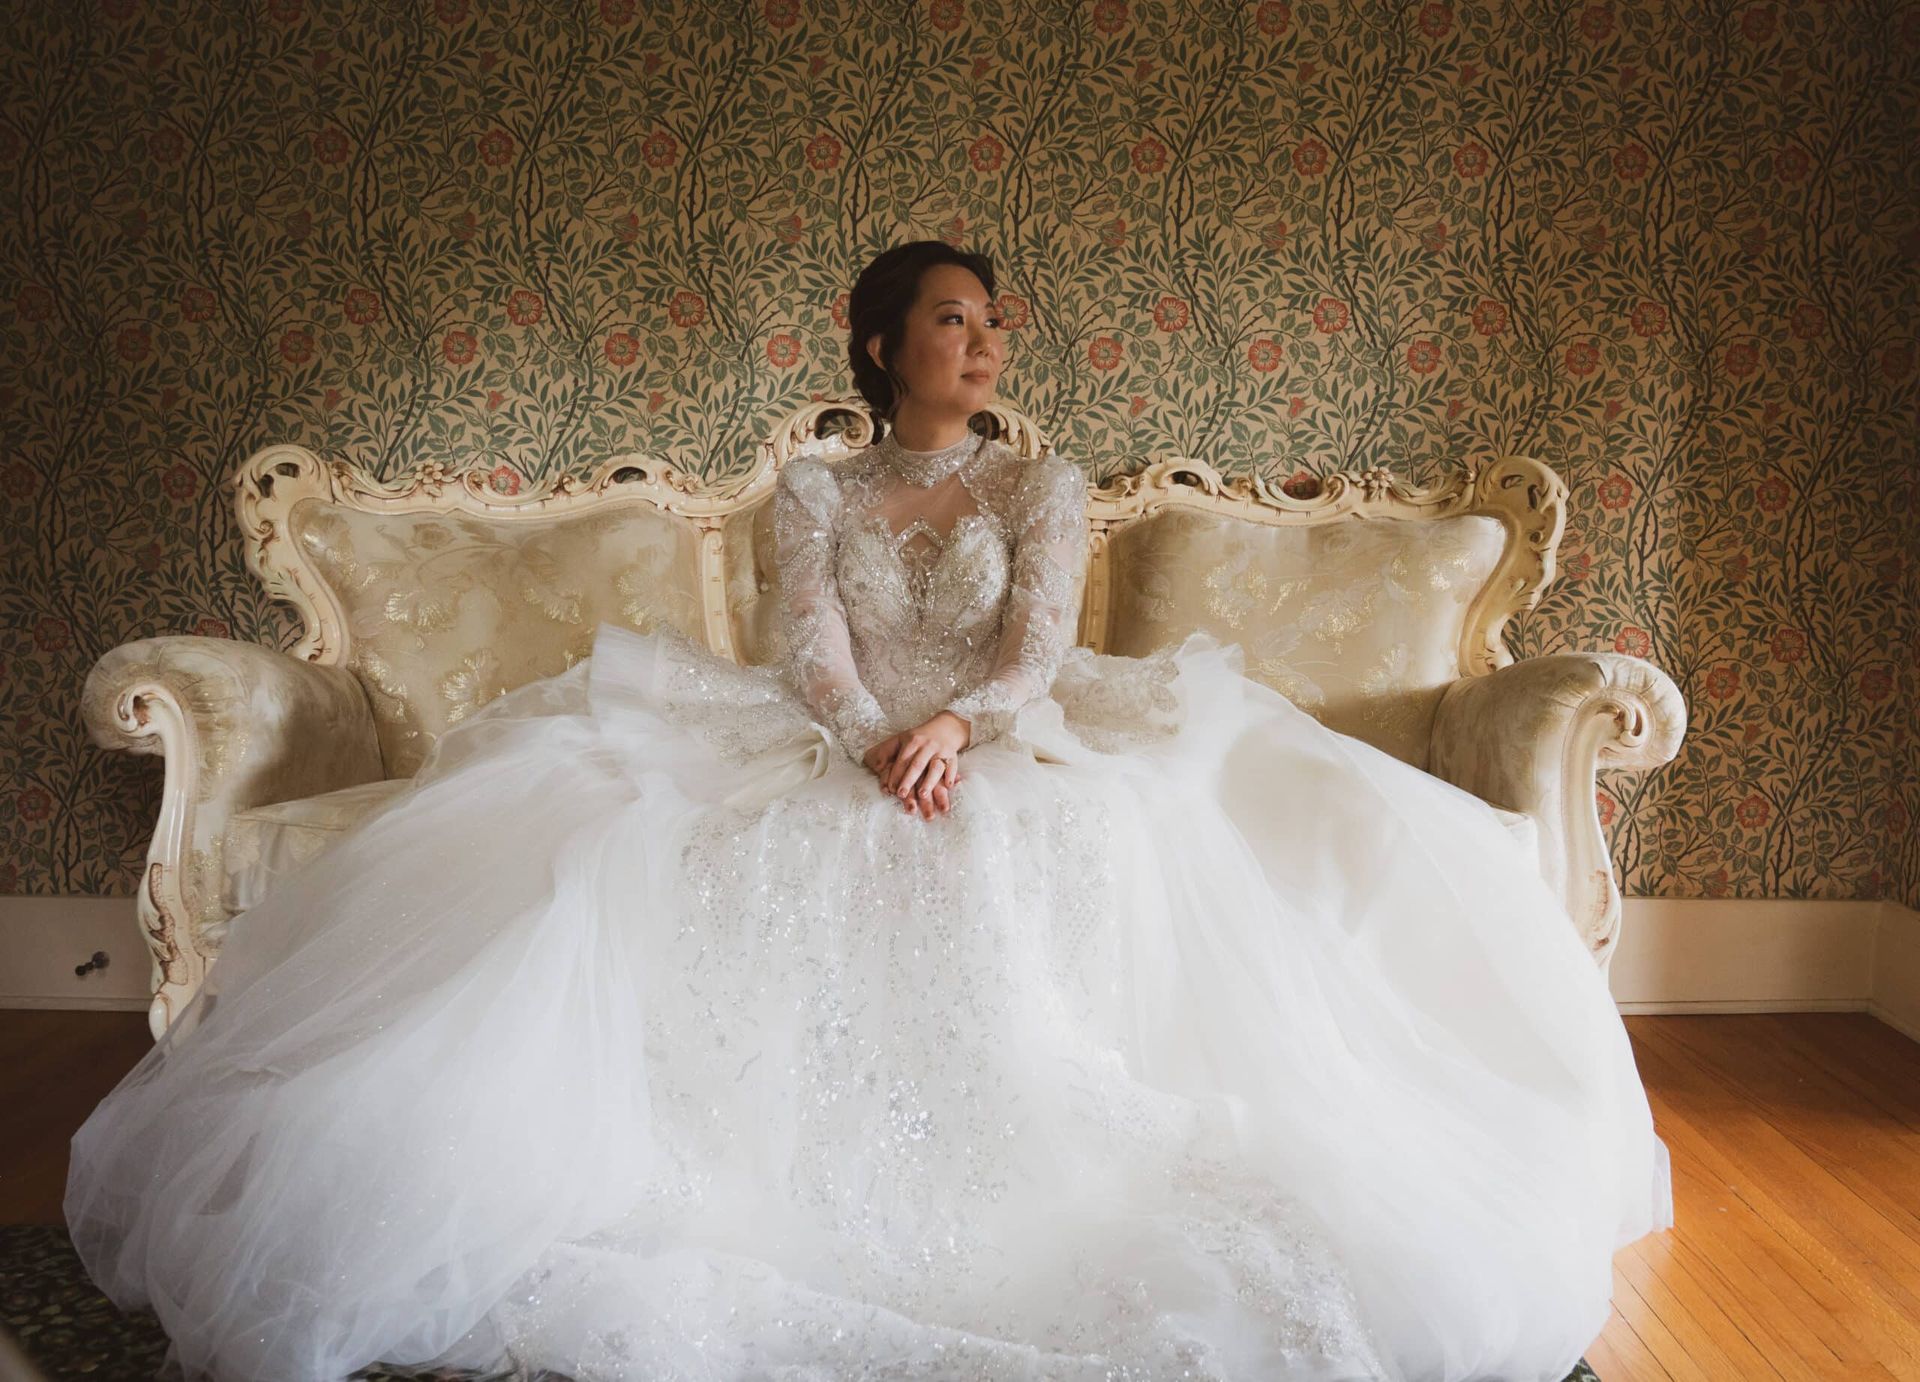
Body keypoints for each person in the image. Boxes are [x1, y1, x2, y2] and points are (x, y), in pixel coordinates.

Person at [65, 240, 1671, 1382]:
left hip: (1009, 727)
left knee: (1070, 833)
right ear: (881, 341)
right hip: (832, 734)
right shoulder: (816, 490)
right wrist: (873, 736)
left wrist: (962, 725)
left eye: (990, 323)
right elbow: (799, 644)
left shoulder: (1032, 483)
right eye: (953, 320)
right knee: (733, 842)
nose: (982, 344)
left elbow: (1041, 638)